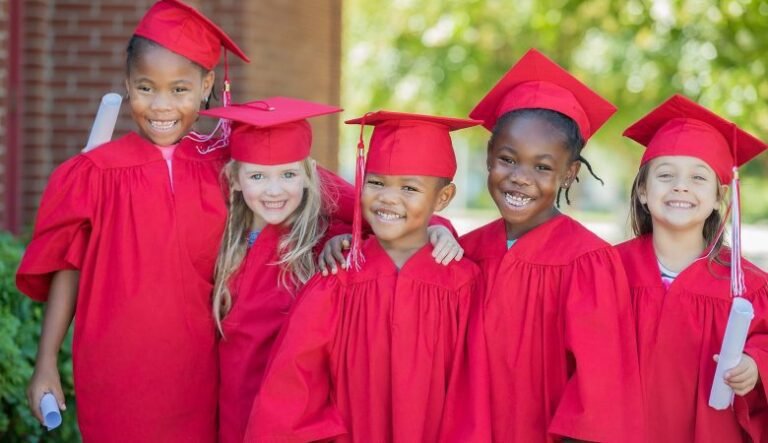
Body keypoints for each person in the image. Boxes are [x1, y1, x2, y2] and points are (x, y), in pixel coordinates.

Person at [16, 1, 248, 441]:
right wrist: (46, 361)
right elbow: (70, 264)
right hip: (119, 369)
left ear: (206, 86)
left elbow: (312, 197)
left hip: (207, 366)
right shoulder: (95, 173)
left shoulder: (231, 166)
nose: (161, 105)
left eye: (179, 89)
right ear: (127, 85)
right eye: (146, 87)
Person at [244, 111, 483, 442]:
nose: (387, 197)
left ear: (443, 198)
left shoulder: (463, 284)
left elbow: (475, 393)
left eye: (410, 187)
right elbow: (294, 382)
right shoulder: (337, 277)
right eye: (375, 182)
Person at [458, 48, 644, 442]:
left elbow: (599, 389)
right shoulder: (465, 251)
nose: (521, 178)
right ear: (488, 158)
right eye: (508, 159)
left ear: (569, 174)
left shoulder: (587, 261)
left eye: (542, 167)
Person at [616, 94, 768, 442]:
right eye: (665, 174)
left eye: (699, 178)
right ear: (642, 190)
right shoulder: (607, 270)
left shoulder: (747, 285)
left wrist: (756, 365)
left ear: (718, 197)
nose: (680, 186)